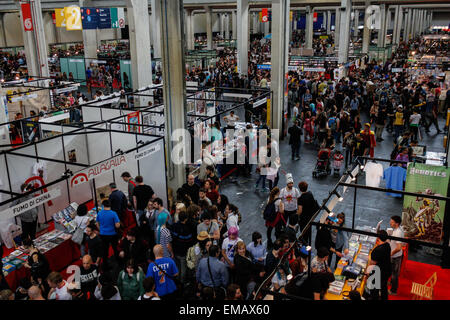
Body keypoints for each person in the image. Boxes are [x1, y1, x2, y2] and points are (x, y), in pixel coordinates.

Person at [170, 210, 196, 284]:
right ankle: (182, 284)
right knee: (183, 270)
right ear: (186, 219)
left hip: (175, 251)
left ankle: (177, 282)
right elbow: (189, 242)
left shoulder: (174, 226)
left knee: (177, 268)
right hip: (183, 253)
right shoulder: (186, 229)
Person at [366, 230, 391, 300]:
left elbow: (372, 264)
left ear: (378, 238)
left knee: (374, 290)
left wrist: (367, 273)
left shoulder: (377, 250)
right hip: (386, 271)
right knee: (383, 287)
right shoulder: (387, 245)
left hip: (378, 274)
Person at [96, 199, 121, 269]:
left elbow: (97, 223)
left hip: (103, 234)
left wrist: (100, 229)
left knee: (105, 250)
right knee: (115, 248)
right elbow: (117, 225)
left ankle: (105, 265)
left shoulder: (100, 213)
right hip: (112, 234)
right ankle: (119, 263)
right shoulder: (113, 213)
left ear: (103, 205)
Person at [389, 215, 404, 296]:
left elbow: (398, 248)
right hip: (395, 256)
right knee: (393, 272)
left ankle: (393, 291)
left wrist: (391, 253)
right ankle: (391, 282)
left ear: (396, 223)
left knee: (395, 275)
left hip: (396, 257)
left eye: (392, 222)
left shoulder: (398, 233)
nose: (390, 223)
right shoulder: (398, 229)